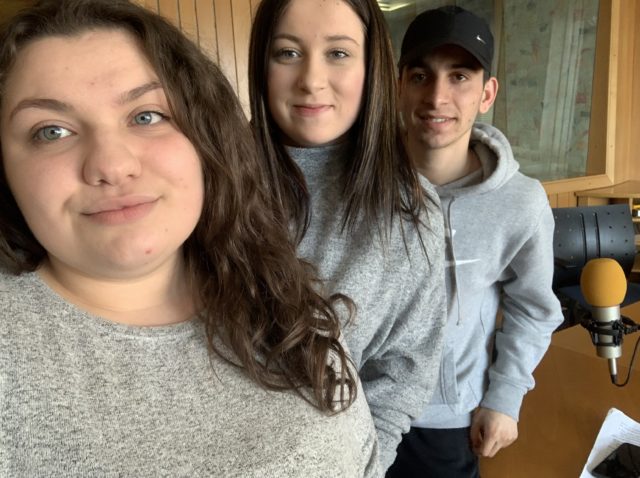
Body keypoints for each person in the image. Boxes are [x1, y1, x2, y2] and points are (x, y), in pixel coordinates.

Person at [0, 1, 382, 476]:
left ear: (205, 138)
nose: (112, 165)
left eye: (146, 116)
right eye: (51, 131)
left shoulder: (277, 289)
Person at [249, 0, 447, 470]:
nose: (311, 80)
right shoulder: (204, 182)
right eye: (287, 53)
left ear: (371, 67)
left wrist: (365, 469)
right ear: (262, 65)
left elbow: (401, 375)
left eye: (337, 53)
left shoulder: (409, 208)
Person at [387, 6, 564, 477]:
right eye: (420, 76)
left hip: (447, 421)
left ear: (487, 94)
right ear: (399, 86)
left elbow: (533, 307)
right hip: (353, 410)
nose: (436, 96)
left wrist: (505, 397)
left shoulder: (520, 202)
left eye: (459, 76)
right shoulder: (360, 187)